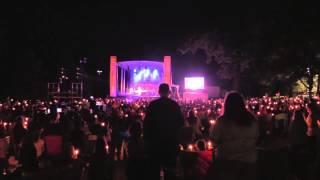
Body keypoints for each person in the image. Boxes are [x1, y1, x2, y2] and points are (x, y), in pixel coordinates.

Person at [212, 91, 259, 180]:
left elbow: (214, 138)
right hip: (249, 160)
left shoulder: (222, 121)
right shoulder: (252, 120)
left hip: (228, 161)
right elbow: (256, 136)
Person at [144, 83, 184, 180]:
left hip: (155, 144)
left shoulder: (153, 105)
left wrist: (147, 141)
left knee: (154, 172)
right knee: (170, 172)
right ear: (169, 92)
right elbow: (181, 123)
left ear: (159, 92)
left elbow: (146, 124)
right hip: (170, 143)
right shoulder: (174, 105)